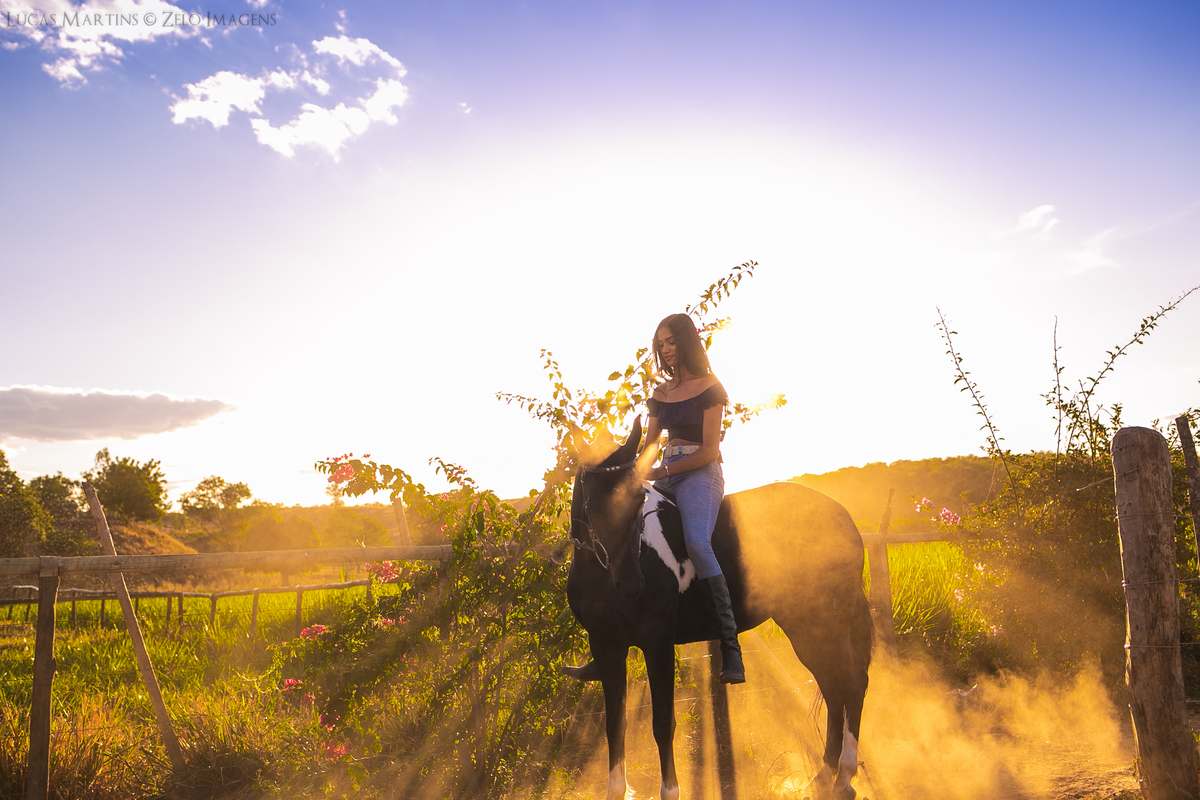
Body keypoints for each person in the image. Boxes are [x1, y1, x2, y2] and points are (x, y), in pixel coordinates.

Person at [564, 313, 745, 684]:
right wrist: (631, 474)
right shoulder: (661, 394)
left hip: (698, 476)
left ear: (686, 342)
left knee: (697, 542)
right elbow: (649, 448)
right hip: (663, 474)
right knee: (616, 527)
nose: (666, 350)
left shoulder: (711, 387)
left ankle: (730, 645)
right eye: (661, 344)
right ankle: (606, 643)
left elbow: (710, 450)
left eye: (671, 342)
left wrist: (663, 472)